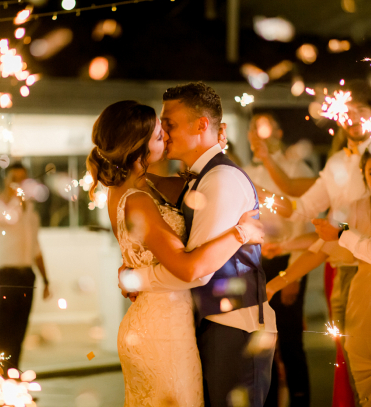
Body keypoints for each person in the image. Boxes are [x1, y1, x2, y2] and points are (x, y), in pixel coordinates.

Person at [114, 83, 274, 407]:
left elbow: (197, 271)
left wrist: (136, 278)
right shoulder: (198, 178)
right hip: (209, 323)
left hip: (233, 326)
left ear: (201, 125)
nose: (164, 132)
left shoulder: (220, 180)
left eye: (168, 124)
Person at [263, 80, 371, 406]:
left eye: (361, 111)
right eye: (347, 112)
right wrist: (262, 196)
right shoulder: (337, 164)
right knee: (353, 368)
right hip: (341, 273)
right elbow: (303, 210)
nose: (353, 118)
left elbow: (347, 225)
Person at [245, 113, 314, 407]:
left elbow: (305, 222)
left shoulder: (295, 168)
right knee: (262, 340)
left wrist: (293, 277)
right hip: (256, 261)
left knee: (289, 341)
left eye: (264, 128)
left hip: (289, 257)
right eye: (254, 130)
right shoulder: (244, 171)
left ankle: (300, 400)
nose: (258, 135)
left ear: (279, 131)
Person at [0, 162, 51, 372]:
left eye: (23, 179)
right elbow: (7, 217)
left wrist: (46, 280)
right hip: (4, 276)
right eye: (14, 178)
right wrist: (15, 196)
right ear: (6, 180)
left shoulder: (31, 212)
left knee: (20, 331)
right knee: (4, 330)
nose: (19, 183)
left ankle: (13, 377)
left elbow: (36, 249)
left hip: (26, 276)